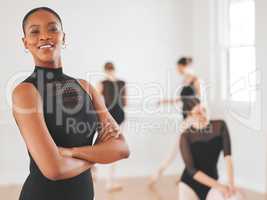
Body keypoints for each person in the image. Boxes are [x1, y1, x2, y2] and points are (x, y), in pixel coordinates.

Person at [12, 7, 130, 200]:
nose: (44, 37)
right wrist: (98, 153)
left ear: (64, 38)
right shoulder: (25, 92)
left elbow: (122, 149)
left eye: (52, 29)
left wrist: (70, 152)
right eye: (34, 32)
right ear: (25, 42)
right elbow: (54, 169)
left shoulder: (86, 87)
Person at [149, 57, 201, 185]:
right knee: (186, 148)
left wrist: (197, 115)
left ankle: (158, 173)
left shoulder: (195, 80)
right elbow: (179, 99)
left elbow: (199, 100)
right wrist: (163, 101)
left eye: (178, 67)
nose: (177, 70)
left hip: (193, 119)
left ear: (183, 66)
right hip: (186, 118)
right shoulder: (185, 80)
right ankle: (184, 177)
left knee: (179, 147)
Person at [179, 97, 238, 200]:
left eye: (204, 110)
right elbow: (192, 171)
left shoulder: (220, 126)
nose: (203, 114)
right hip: (190, 185)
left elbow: (228, 157)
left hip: (213, 183)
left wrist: (231, 184)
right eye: (198, 112)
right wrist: (220, 187)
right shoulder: (186, 136)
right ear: (189, 117)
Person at [96, 62, 127, 192]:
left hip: (117, 117)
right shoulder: (104, 83)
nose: (110, 72)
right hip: (109, 118)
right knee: (107, 146)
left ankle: (110, 181)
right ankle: (97, 172)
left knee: (115, 148)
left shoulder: (121, 83)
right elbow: (96, 101)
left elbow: (125, 101)